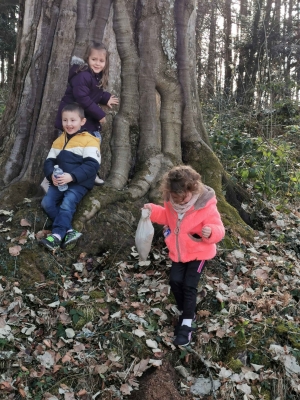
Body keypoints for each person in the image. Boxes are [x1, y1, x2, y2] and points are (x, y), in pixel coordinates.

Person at [143, 165, 225, 346]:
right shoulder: (171, 202)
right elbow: (166, 216)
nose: (179, 202)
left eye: (183, 198)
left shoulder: (205, 204)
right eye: (175, 198)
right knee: (175, 281)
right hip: (178, 253)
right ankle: (185, 308)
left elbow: (219, 228)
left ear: (192, 189)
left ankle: (187, 321)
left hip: (199, 252)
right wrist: (152, 211)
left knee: (189, 285)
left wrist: (210, 232)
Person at [54, 42, 119, 185]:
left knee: (92, 142)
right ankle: (64, 174)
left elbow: (94, 93)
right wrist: (100, 114)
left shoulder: (95, 77)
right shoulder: (83, 75)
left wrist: (106, 97)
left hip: (82, 118)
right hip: (72, 117)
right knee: (73, 147)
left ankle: (87, 172)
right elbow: (82, 97)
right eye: (94, 59)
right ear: (87, 59)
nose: (97, 63)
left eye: (101, 61)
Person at [40, 103, 101, 251]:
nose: (69, 124)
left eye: (73, 120)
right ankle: (69, 231)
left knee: (67, 203)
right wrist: (51, 175)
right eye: (65, 120)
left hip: (79, 182)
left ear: (82, 121)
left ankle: (56, 236)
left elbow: (92, 165)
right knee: (46, 203)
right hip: (59, 181)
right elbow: (49, 162)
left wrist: (72, 176)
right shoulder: (59, 141)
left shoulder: (90, 140)